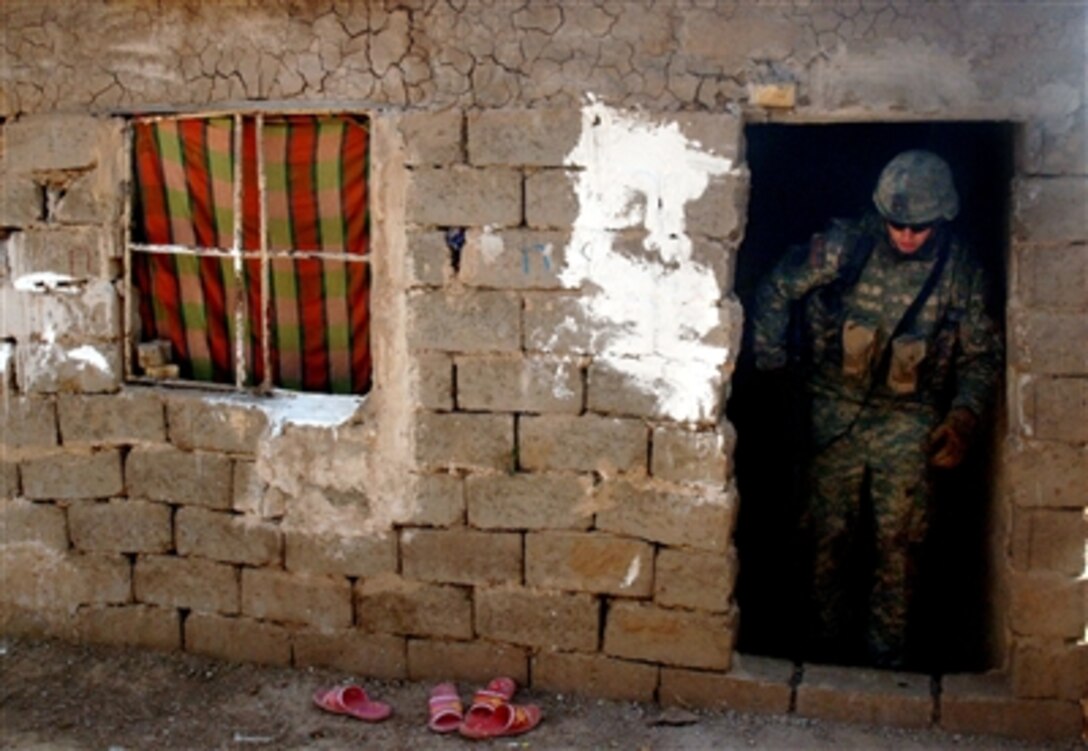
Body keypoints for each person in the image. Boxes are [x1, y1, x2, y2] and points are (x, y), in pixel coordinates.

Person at [751, 150, 1002, 669]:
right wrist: (773, 372)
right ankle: (821, 652)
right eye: (898, 224)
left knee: (901, 543)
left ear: (942, 219)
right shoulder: (846, 247)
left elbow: (981, 358)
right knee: (825, 535)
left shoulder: (960, 271)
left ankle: (886, 660)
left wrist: (963, 417)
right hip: (832, 406)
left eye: (920, 227)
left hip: (910, 418)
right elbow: (776, 288)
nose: (907, 236)